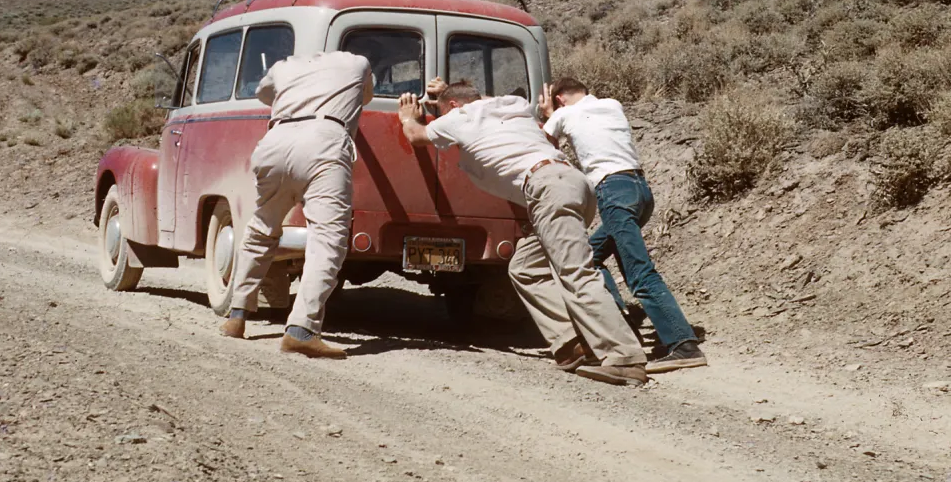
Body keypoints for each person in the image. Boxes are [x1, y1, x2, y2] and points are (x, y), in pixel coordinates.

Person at [397, 79, 648, 386]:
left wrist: (408, 115)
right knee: (526, 267)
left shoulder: (459, 117)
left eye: (443, 107)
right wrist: (449, 93)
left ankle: (624, 357)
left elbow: (417, 135)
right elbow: (476, 100)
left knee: (576, 273)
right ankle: (572, 343)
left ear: (451, 107)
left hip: (547, 188)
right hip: (572, 185)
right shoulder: (512, 106)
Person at [538, 77, 707, 373]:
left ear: (560, 98)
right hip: (639, 190)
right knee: (591, 255)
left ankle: (683, 345)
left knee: (638, 271)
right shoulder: (612, 105)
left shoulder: (563, 113)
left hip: (612, 191)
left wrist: (548, 114)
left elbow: (544, 147)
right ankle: (621, 319)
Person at [220, 50, 374, 357]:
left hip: (277, 139)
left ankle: (236, 316)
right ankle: (301, 329)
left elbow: (264, 95)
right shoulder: (358, 63)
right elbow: (365, 97)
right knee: (327, 239)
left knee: (262, 227)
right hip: (324, 139)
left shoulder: (283, 66)